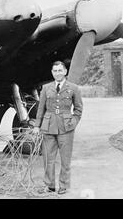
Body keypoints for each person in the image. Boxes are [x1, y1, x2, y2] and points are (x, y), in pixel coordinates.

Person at [33, 61, 83, 195]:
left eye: (60, 70)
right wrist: (37, 126)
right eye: (55, 71)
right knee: (48, 159)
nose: (57, 73)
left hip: (66, 127)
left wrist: (73, 122)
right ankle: (49, 185)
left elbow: (78, 109)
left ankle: (64, 185)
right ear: (52, 72)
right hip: (48, 126)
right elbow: (40, 109)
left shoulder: (74, 88)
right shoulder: (46, 88)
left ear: (65, 71)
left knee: (65, 159)